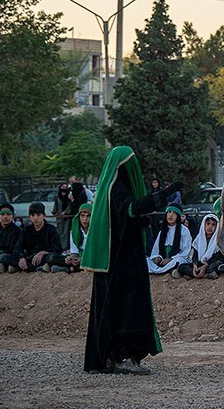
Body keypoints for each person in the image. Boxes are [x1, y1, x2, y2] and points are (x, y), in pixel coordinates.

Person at [81, 145, 183, 375]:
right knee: (126, 310)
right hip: (121, 265)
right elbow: (129, 210)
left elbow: (123, 220)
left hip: (120, 262)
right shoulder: (116, 189)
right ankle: (121, 357)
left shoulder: (112, 188)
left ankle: (118, 357)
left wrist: (139, 222)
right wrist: (162, 195)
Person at [173, 213, 224, 279]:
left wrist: (206, 265)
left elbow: (218, 257)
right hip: (200, 263)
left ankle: (195, 274)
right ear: (203, 225)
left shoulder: (218, 240)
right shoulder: (198, 239)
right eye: (208, 224)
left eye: (213, 225)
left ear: (217, 227)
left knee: (219, 264)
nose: (210, 227)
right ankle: (204, 275)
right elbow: (195, 255)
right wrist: (195, 265)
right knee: (181, 267)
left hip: (211, 263)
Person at [44, 202, 91, 273]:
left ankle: (69, 269)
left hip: (90, 257)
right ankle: (71, 267)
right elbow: (74, 251)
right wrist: (71, 258)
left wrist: (81, 259)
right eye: (82, 216)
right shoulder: (75, 231)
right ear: (79, 217)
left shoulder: (95, 232)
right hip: (78, 257)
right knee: (53, 258)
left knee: (93, 262)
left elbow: (97, 252)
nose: (85, 219)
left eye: (88, 216)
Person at [146, 203, 192, 275]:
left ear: (178, 216)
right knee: (147, 260)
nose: (171, 215)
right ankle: (170, 270)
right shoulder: (162, 231)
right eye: (169, 212)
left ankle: (170, 269)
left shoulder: (184, 230)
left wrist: (171, 259)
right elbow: (156, 249)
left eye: (174, 213)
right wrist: (156, 257)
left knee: (179, 261)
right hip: (163, 259)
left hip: (176, 258)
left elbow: (185, 252)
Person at [21, 201, 63, 272]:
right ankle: (41, 268)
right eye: (32, 215)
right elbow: (18, 246)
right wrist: (21, 258)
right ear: (29, 216)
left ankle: (38, 268)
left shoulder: (51, 229)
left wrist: (43, 252)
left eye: (38, 215)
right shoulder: (26, 230)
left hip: (46, 256)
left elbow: (58, 248)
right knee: (8, 258)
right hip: (31, 258)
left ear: (44, 215)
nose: (35, 218)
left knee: (53, 258)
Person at [52, 182, 72, 251]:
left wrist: (65, 212)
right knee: (60, 232)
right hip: (59, 217)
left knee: (66, 233)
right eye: (63, 186)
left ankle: (66, 247)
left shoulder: (68, 196)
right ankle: (61, 248)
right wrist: (55, 212)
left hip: (67, 217)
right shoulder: (57, 197)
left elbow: (70, 205)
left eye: (65, 187)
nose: (64, 188)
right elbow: (56, 206)